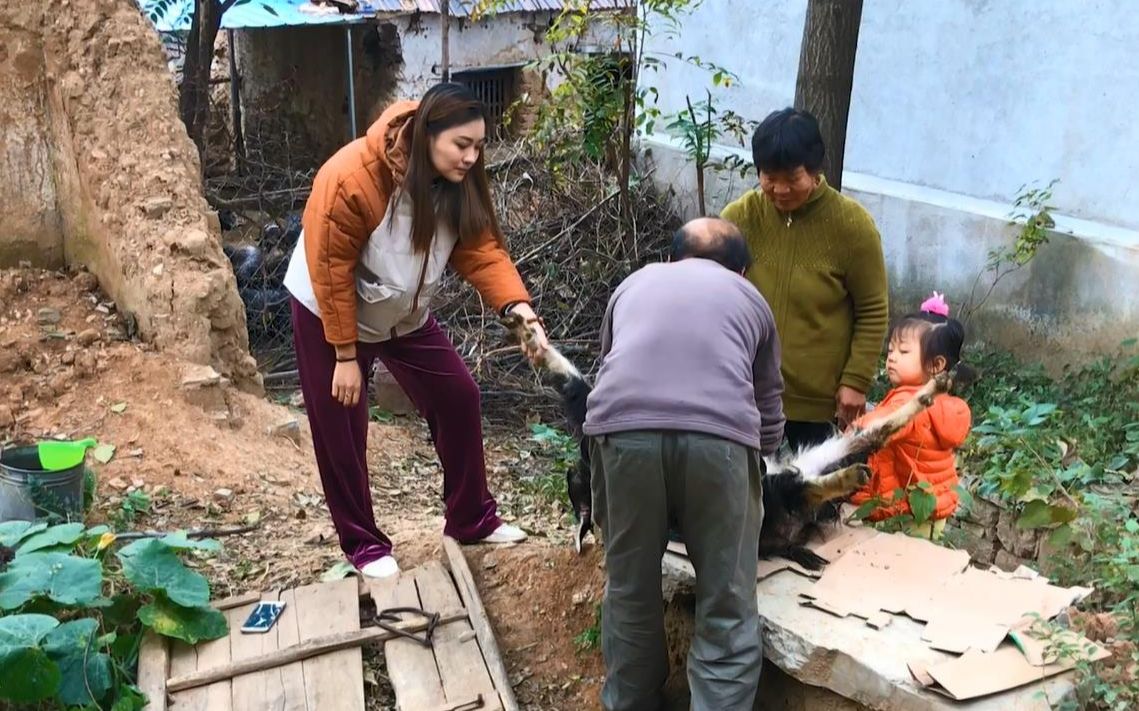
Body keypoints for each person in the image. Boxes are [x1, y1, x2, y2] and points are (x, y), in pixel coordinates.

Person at [282, 83, 549, 579]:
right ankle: (362, 544)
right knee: (342, 426)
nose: (471, 157)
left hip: (402, 309)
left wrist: (519, 309)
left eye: (479, 147)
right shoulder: (352, 176)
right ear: (428, 135)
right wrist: (344, 355)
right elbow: (331, 265)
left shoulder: (456, 182)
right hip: (330, 312)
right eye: (461, 145)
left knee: (458, 396)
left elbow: (483, 250)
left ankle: (470, 517)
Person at [582, 217, 785, 711]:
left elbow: (610, 365)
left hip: (620, 434)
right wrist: (756, 476)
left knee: (630, 588)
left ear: (672, 258)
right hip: (721, 442)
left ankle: (632, 702)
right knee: (728, 602)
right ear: (741, 271)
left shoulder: (633, 285)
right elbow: (769, 406)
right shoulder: (750, 300)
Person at [720, 107, 889, 452]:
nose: (780, 189)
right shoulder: (739, 219)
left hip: (817, 404)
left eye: (792, 178)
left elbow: (872, 310)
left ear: (815, 171)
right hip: (744, 393)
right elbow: (712, 298)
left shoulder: (852, 227)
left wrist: (855, 381)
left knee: (807, 496)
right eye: (769, 177)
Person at [849, 292, 973, 540]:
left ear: (936, 365)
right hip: (933, 510)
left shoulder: (911, 403)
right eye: (891, 349)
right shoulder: (945, 402)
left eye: (903, 351)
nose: (891, 357)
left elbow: (872, 431)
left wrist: (851, 429)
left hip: (902, 513)